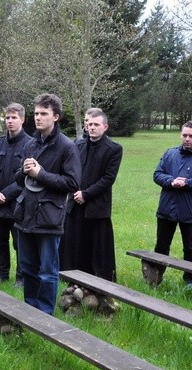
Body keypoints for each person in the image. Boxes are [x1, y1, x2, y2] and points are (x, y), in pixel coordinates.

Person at [14, 93, 81, 314]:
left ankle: (44, 315)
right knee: (28, 268)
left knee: (47, 271)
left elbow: (72, 183)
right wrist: (23, 171)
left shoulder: (67, 147)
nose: (38, 118)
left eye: (44, 113)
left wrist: (41, 173)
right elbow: (18, 179)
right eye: (36, 113)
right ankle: (29, 310)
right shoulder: (30, 144)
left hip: (50, 217)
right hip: (26, 215)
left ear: (56, 117)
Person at [152, 120, 192, 291]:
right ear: (180, 135)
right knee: (161, 245)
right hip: (167, 209)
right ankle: (156, 275)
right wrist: (171, 181)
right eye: (184, 135)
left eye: (191, 136)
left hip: (191, 210)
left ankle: (190, 279)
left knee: (190, 247)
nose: (187, 139)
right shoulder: (170, 153)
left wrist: (187, 183)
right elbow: (157, 174)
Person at [59, 109, 122, 282]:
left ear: (105, 126)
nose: (91, 128)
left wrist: (86, 194)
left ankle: (98, 278)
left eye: (96, 125)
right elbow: (69, 170)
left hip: (97, 205)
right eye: (89, 124)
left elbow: (108, 178)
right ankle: (70, 275)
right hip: (74, 202)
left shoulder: (114, 149)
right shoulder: (77, 145)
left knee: (97, 245)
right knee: (73, 242)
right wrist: (74, 191)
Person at [0, 103, 31, 285]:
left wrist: (6, 193)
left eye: (14, 118)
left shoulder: (30, 144)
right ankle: (3, 274)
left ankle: (21, 277)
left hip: (18, 203)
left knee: (19, 243)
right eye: (7, 118)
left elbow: (28, 177)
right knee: (1, 241)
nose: (10, 121)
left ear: (22, 119)